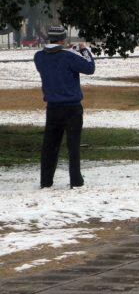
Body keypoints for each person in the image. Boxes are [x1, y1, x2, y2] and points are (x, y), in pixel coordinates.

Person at [33, 25, 96, 189]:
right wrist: (83, 50)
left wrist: (67, 50)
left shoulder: (39, 57)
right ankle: (76, 180)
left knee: (50, 146)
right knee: (73, 146)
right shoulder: (68, 56)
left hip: (52, 107)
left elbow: (53, 58)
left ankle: (45, 181)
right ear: (63, 38)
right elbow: (90, 68)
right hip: (72, 107)